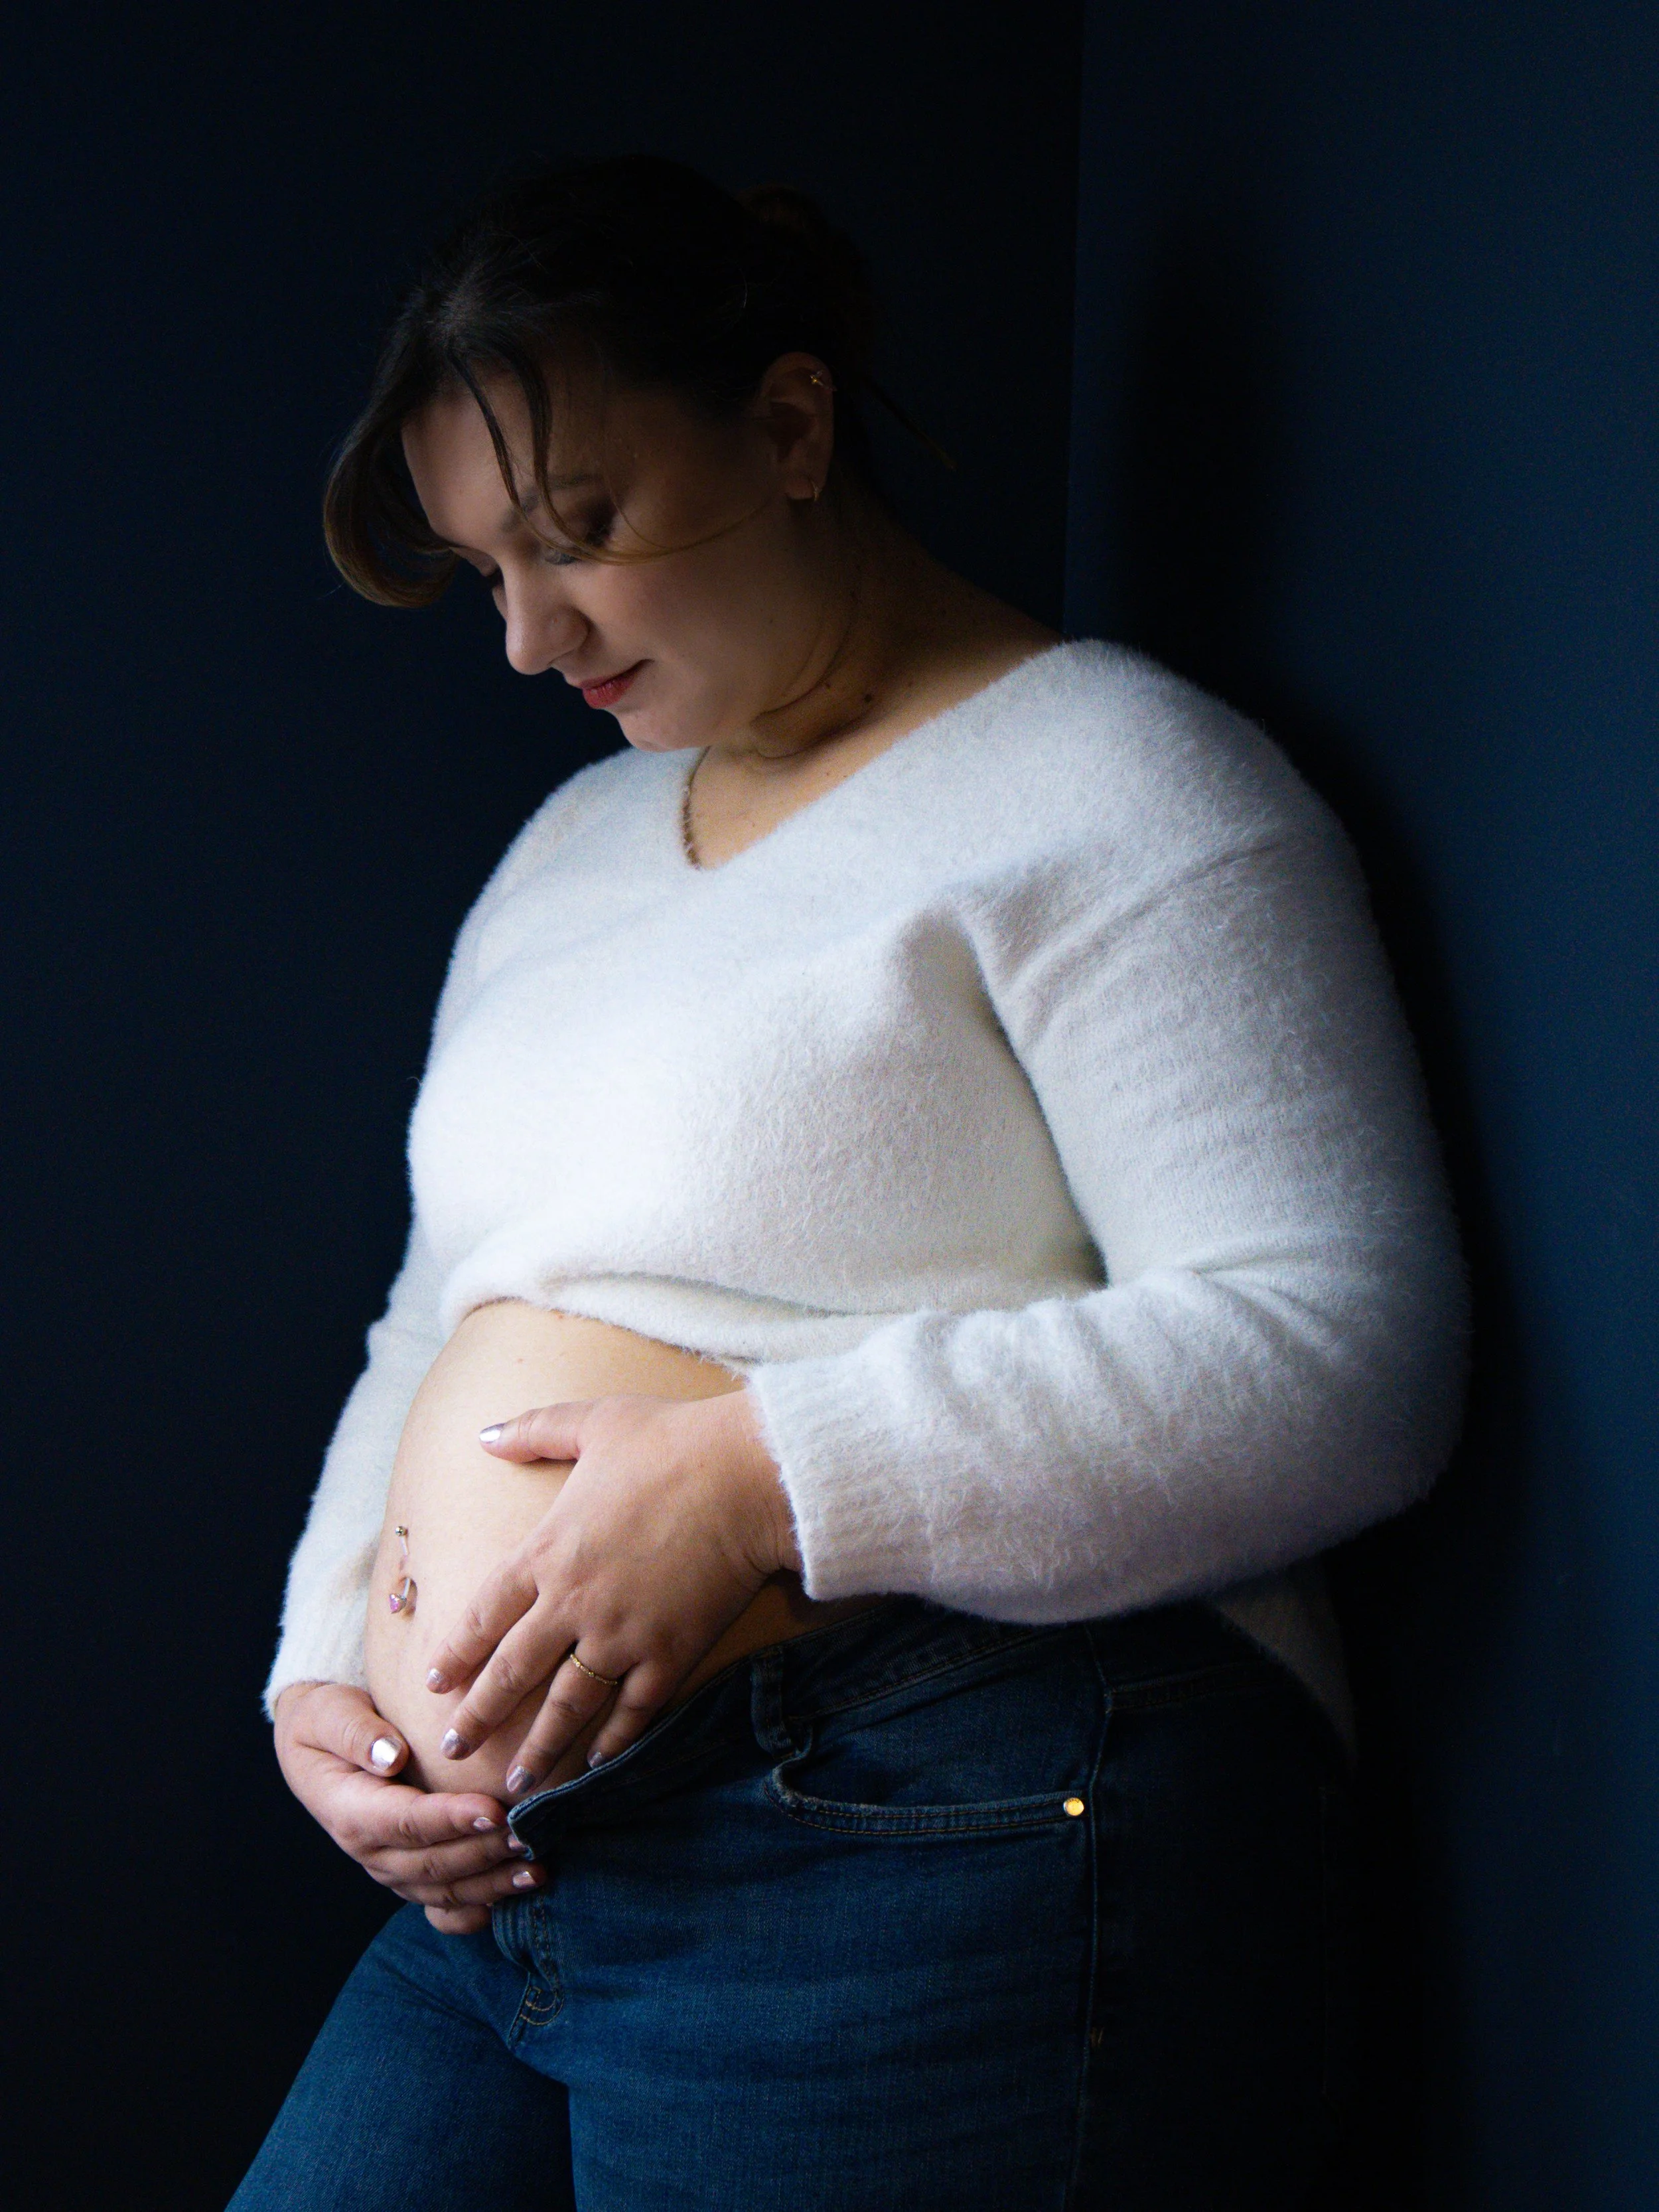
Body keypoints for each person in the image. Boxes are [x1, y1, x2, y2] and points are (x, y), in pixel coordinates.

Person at [234, 155, 1467, 2210]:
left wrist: (744, 1481)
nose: (533, 638)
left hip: (914, 1818)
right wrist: (326, 1674)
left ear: (791, 426)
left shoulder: (1114, 781)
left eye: (578, 537)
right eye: (486, 576)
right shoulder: (570, 853)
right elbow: (437, 1311)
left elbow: (1345, 1347)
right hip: (517, 1890)